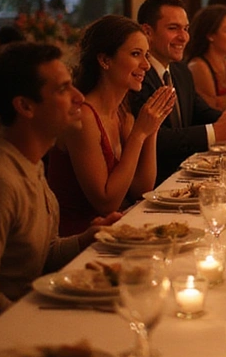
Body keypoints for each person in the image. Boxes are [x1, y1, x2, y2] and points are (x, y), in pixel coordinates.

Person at [0, 42, 120, 327]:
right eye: (62, 89)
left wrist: (87, 238)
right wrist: (43, 329)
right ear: (25, 106)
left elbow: (42, 254)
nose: (79, 97)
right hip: (7, 345)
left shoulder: (30, 162)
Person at [46, 16, 174, 235]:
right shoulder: (83, 117)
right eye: (136, 54)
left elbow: (142, 190)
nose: (145, 65)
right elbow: (106, 203)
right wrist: (139, 134)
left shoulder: (123, 113)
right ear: (105, 60)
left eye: (146, 55)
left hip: (114, 230)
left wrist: (152, 129)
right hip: (79, 239)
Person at [134, 0, 226, 183]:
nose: (184, 36)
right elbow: (156, 139)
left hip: (187, 176)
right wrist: (215, 132)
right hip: (158, 182)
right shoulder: (138, 76)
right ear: (148, 32)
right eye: (173, 28)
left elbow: (200, 111)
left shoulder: (180, 70)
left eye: (186, 29)